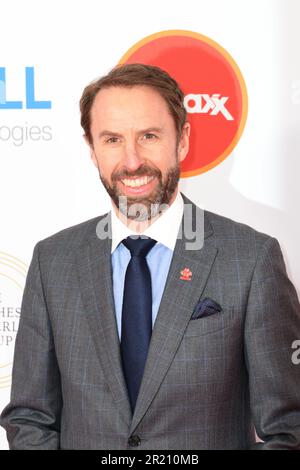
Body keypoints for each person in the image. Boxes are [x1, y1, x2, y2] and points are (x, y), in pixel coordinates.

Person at [1, 63, 300, 450]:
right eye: (112, 139)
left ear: (182, 140)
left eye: (149, 136)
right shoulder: (52, 261)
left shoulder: (251, 259)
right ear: (92, 150)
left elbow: (289, 430)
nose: (131, 161)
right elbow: (29, 418)